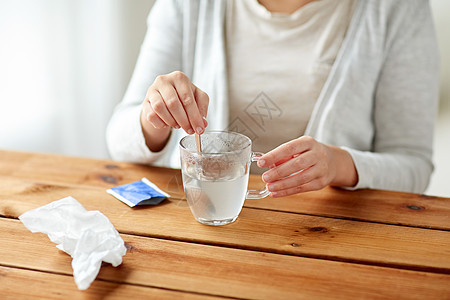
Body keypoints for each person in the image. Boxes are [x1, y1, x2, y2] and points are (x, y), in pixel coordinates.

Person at [107, 0, 439, 196]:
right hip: (203, 220)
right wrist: (154, 117)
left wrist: (339, 165)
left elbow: (413, 165)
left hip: (330, 233)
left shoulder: (397, 9)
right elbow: (119, 138)